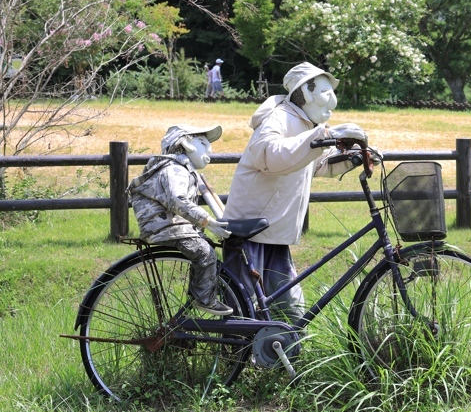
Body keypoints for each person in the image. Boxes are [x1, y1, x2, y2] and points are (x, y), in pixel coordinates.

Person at [222, 62, 365, 324]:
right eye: (324, 92)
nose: (332, 100)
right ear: (306, 93)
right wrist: (324, 135)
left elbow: (314, 163)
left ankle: (285, 355)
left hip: (274, 230)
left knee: (287, 304)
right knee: (244, 306)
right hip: (252, 228)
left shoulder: (303, 122)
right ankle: (234, 361)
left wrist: (351, 158)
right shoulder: (279, 118)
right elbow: (269, 155)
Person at [129, 124, 234, 316]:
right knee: (205, 254)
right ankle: (204, 299)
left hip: (171, 225)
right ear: (186, 143)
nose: (209, 149)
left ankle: (200, 292)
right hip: (167, 227)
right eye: (203, 143)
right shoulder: (174, 169)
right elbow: (178, 200)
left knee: (205, 248)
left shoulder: (179, 168)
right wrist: (207, 222)